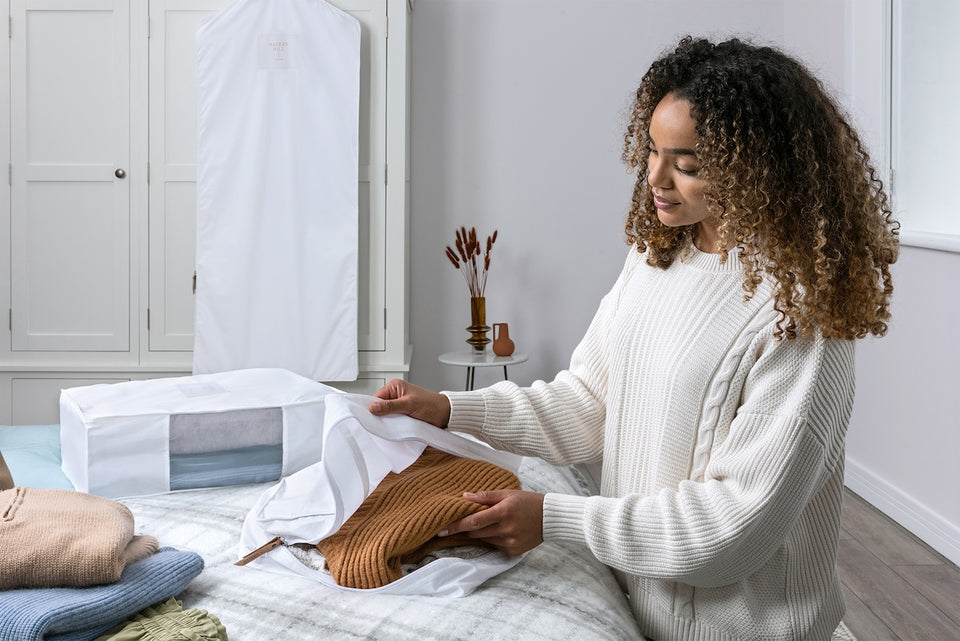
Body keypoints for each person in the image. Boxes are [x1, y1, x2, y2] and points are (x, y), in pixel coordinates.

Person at [370, 36, 898, 641]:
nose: (656, 177)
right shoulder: (656, 259)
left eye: (688, 164)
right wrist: (449, 408)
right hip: (635, 610)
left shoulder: (799, 312)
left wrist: (555, 519)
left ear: (758, 168)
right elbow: (590, 405)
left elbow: (736, 525)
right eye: (651, 149)